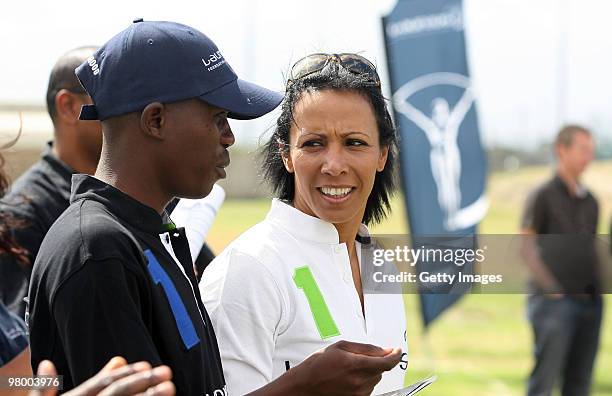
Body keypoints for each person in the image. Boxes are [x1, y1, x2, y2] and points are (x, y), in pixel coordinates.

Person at [27, 20, 401, 396]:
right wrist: (303, 386)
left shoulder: (149, 236)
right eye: (218, 118)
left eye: (355, 143)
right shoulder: (96, 250)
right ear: (155, 120)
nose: (230, 137)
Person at [200, 53, 408, 395]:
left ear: (382, 153)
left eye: (354, 143)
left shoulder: (380, 262)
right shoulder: (250, 268)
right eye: (314, 144)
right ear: (286, 154)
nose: (334, 164)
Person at [0, 46, 218, 317]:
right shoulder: (22, 214)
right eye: (113, 97)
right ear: (68, 106)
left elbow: (209, 280)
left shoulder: (147, 192)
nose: (134, 111)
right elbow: (18, 343)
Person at [521, 124, 602, 396]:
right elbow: (526, 246)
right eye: (582, 149)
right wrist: (551, 288)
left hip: (589, 304)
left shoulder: (592, 201)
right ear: (561, 150)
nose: (588, 156)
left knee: (580, 385)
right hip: (553, 305)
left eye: (591, 150)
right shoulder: (542, 196)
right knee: (543, 382)